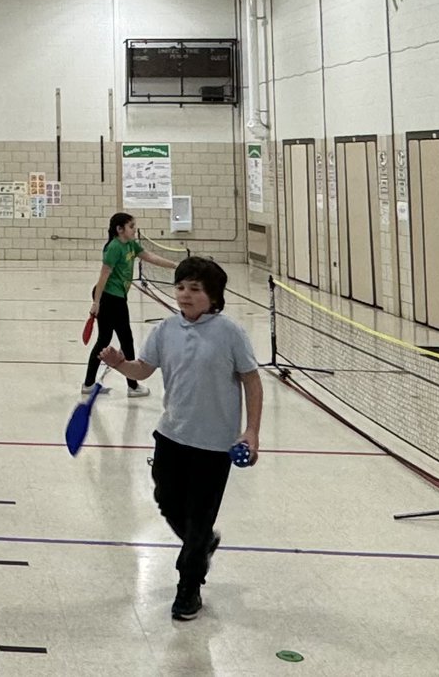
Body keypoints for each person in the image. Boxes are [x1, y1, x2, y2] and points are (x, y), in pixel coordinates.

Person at [99, 257, 262, 621]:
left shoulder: (230, 333)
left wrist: (251, 431)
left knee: (200, 516)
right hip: (171, 434)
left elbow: (251, 379)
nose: (185, 295)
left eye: (195, 289)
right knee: (166, 499)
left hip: (214, 443)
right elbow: (143, 368)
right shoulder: (165, 330)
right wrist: (119, 364)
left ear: (214, 297)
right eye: (181, 287)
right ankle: (201, 542)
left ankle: (189, 587)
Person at [82, 213, 178, 397]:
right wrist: (96, 303)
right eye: (131, 226)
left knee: (104, 339)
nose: (135, 229)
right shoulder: (114, 248)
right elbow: (103, 276)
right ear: (120, 229)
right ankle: (133, 386)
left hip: (116, 297)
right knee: (126, 340)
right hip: (111, 298)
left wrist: (175, 265)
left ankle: (88, 384)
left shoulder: (131, 245)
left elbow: (150, 257)